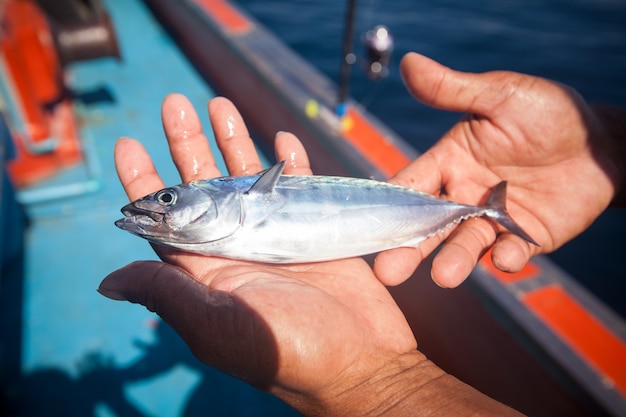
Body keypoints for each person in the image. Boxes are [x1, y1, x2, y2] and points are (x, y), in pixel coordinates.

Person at [99, 52, 625, 415]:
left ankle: (483, 210)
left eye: (167, 198)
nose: (158, 206)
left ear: (229, 196)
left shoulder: (246, 193)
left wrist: (373, 390)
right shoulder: (223, 219)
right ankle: (481, 209)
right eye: (162, 201)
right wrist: (599, 144)